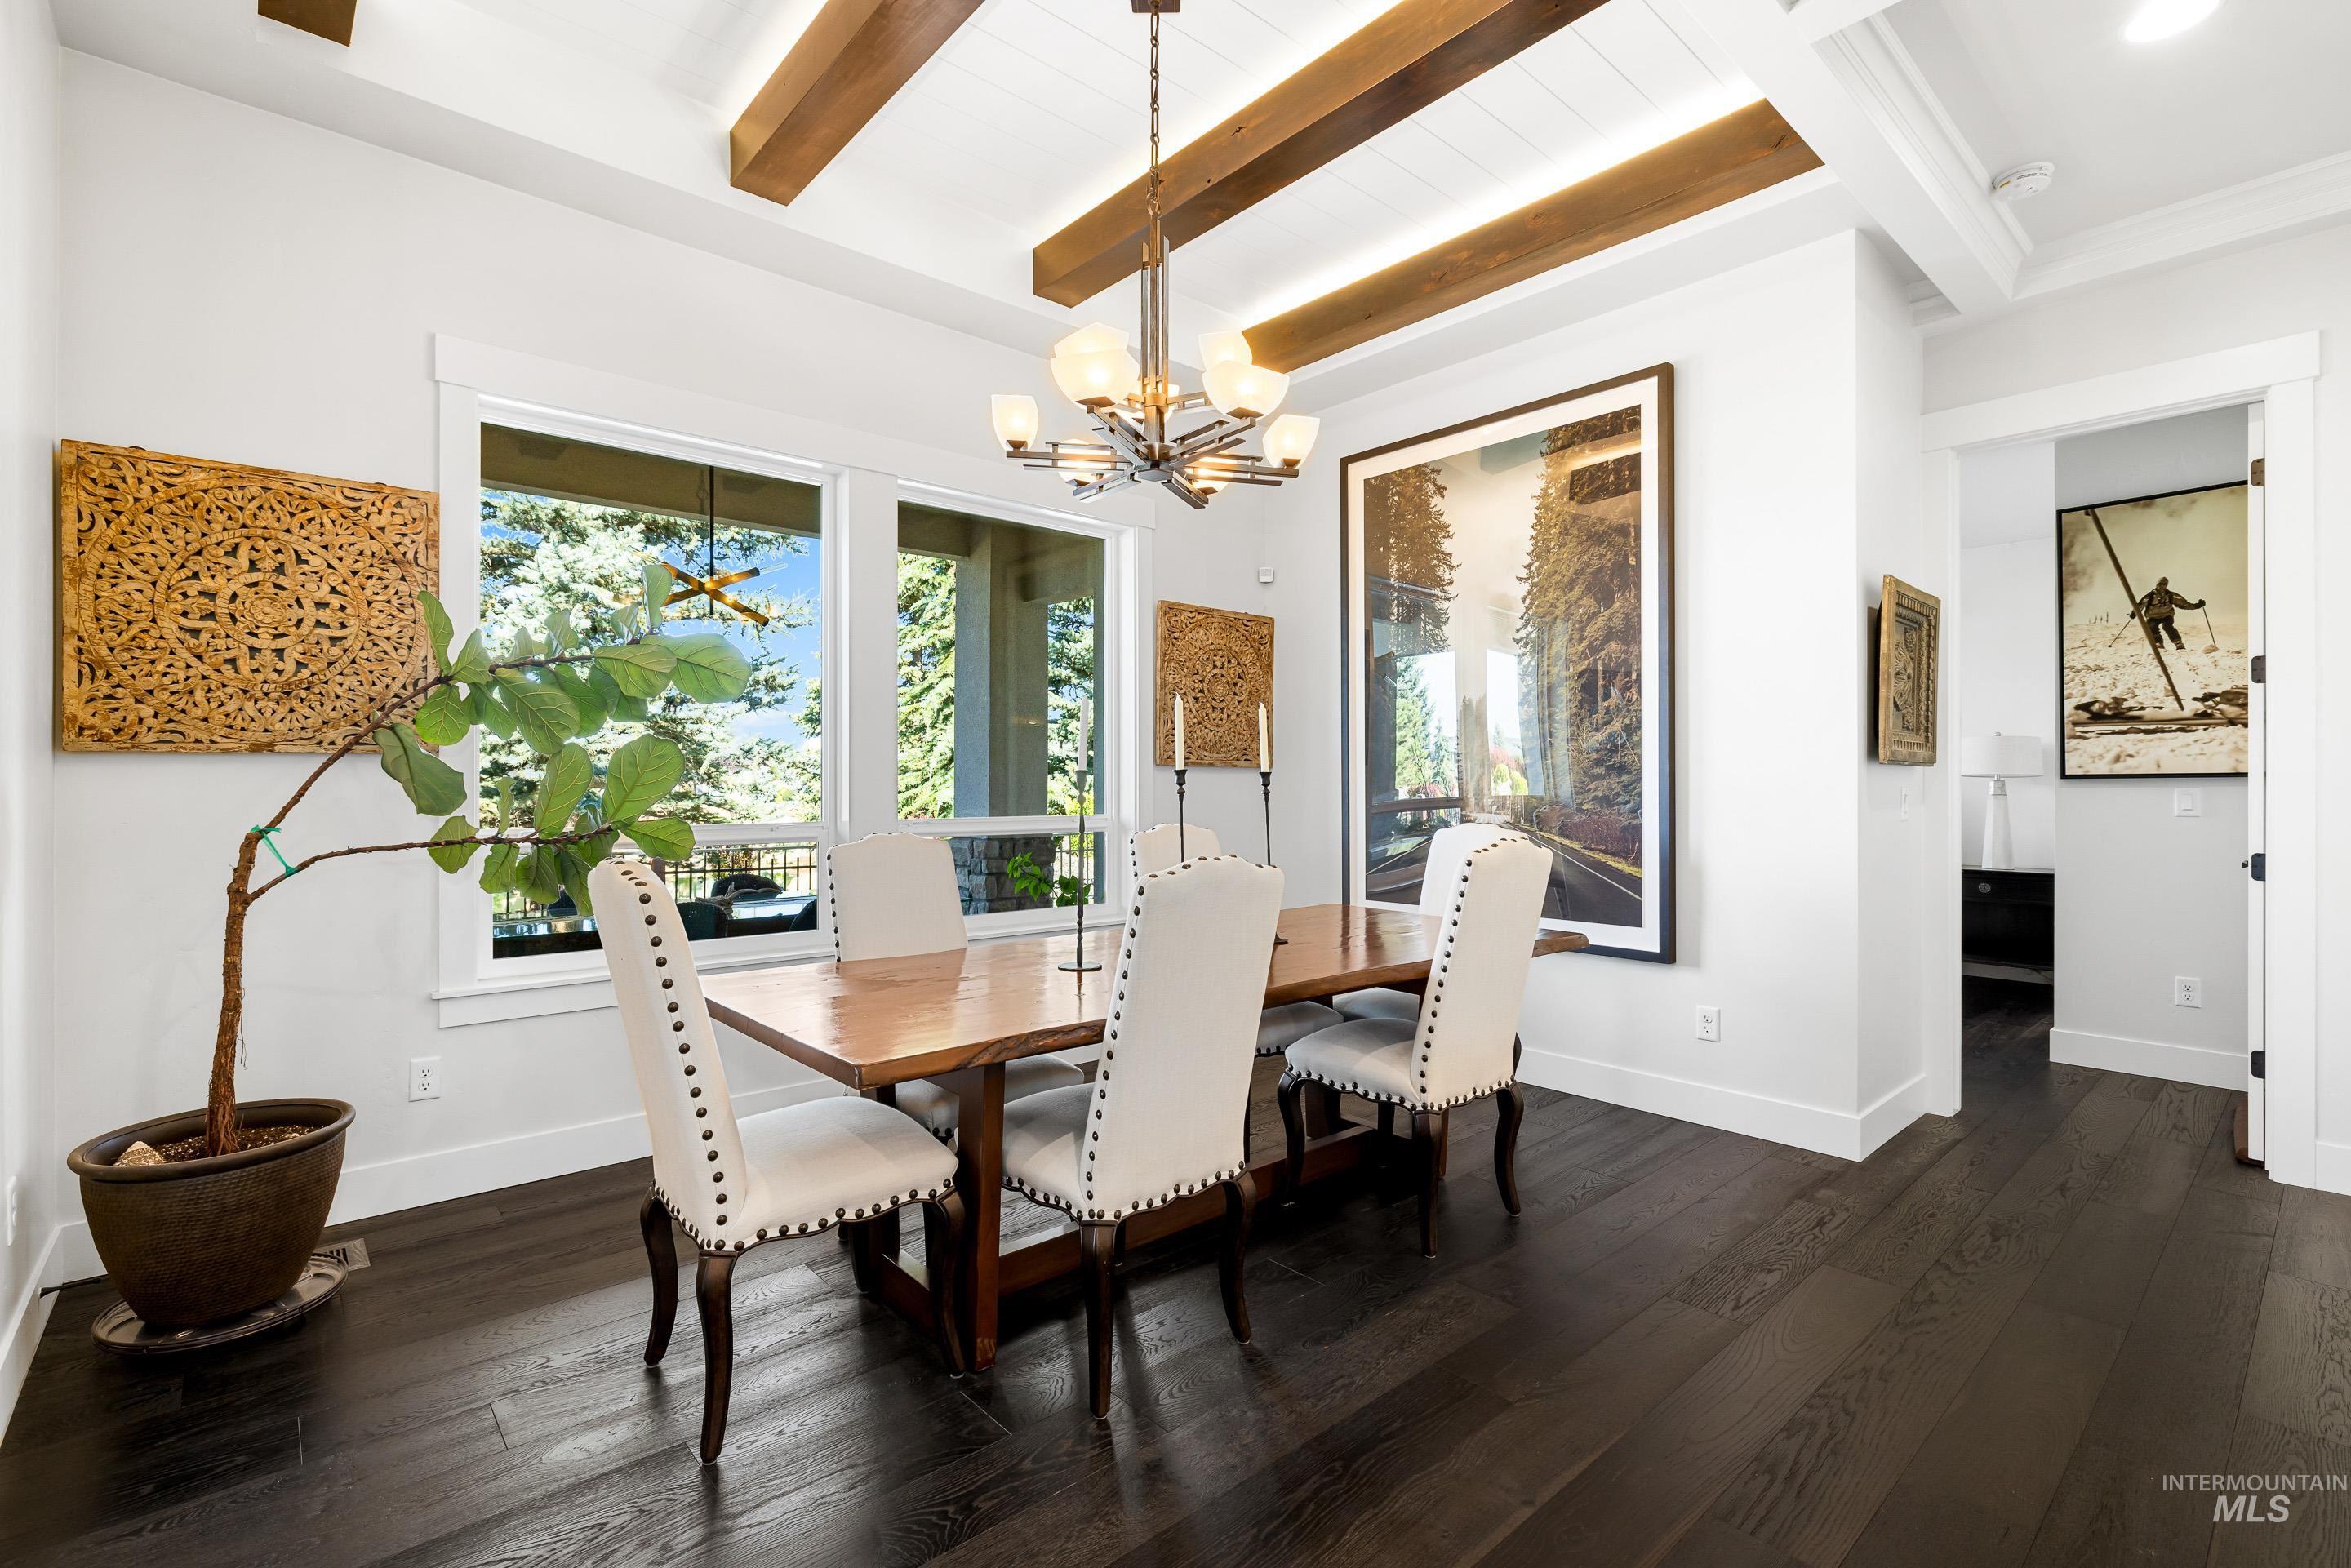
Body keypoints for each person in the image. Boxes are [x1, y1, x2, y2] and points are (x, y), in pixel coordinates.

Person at [2135, 576, 2207, 650]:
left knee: (2168, 626)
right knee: (2152, 627)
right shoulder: (2150, 596)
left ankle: (2178, 642)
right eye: (2160, 584)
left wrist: (2197, 606)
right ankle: (2158, 643)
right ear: (2157, 585)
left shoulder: (2171, 595)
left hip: (2167, 615)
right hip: (2152, 617)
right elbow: (2140, 605)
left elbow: (2184, 604)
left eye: (2164, 584)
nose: (2161, 586)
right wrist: (2134, 613)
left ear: (2166, 585)